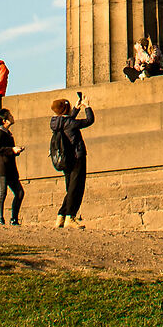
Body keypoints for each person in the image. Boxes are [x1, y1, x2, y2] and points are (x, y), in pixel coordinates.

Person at [48, 93, 95, 228]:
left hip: (65, 159)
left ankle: (61, 216)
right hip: (76, 157)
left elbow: (68, 121)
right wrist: (87, 106)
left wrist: (75, 108)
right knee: (76, 188)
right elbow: (89, 121)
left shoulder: (55, 122)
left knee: (70, 188)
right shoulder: (69, 123)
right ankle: (70, 217)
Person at [0, 106, 24, 226]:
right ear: (4, 120)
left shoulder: (8, 133)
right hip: (1, 168)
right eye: (10, 116)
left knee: (19, 192)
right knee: (2, 192)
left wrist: (15, 151)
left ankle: (14, 218)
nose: (12, 117)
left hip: (10, 168)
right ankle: (0, 219)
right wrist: (12, 150)